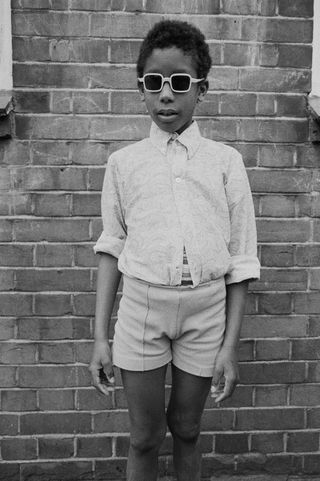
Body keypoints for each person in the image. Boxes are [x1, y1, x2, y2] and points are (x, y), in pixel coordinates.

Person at [89, 19, 260, 481]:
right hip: (143, 308)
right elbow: (112, 248)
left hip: (206, 311)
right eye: (154, 83)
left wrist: (229, 346)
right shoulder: (124, 164)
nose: (167, 94)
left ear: (201, 88)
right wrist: (101, 336)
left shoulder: (225, 163)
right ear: (140, 87)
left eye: (180, 82)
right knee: (144, 436)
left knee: (186, 428)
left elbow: (241, 260)